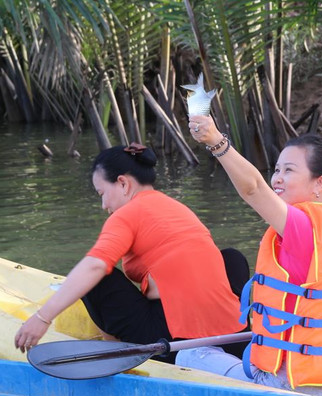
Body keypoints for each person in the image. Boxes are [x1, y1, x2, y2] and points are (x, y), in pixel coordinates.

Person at [183, 118, 322, 396]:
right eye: (276, 170)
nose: (277, 179)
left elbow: (253, 189)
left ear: (319, 183)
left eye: (289, 170)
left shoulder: (301, 227)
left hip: (296, 388)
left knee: (189, 356)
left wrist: (216, 141)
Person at [14, 143, 249, 361]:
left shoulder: (126, 215)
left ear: (123, 183)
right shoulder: (178, 208)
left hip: (173, 343)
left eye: (102, 194)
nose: (103, 205)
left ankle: (115, 352)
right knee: (230, 257)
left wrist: (42, 318)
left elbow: (95, 266)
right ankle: (247, 326)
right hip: (235, 337)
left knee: (97, 280)